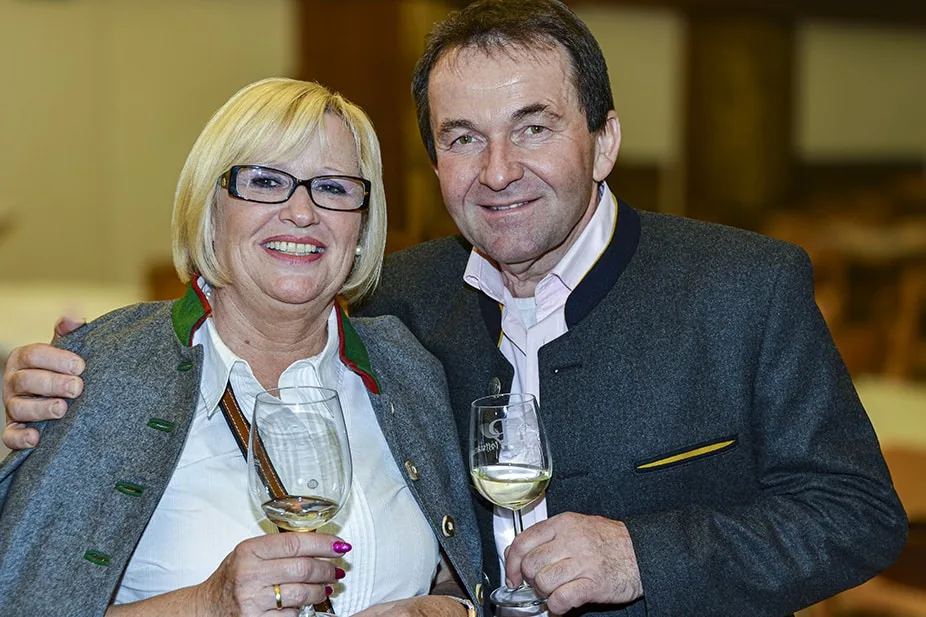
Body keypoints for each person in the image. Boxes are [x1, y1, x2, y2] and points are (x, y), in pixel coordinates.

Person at [3, 1, 908, 616]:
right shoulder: (402, 309)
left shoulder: (744, 288)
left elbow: (858, 513)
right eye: (463, 137)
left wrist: (642, 557)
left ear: (604, 141)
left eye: (533, 127)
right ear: (433, 165)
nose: (498, 170)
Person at [0, 77, 481, 617]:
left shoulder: (408, 369)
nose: (302, 212)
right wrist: (207, 604)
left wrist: (443, 610)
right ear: (210, 209)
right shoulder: (101, 374)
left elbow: (462, 572)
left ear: (362, 227)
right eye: (265, 181)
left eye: (333, 188)